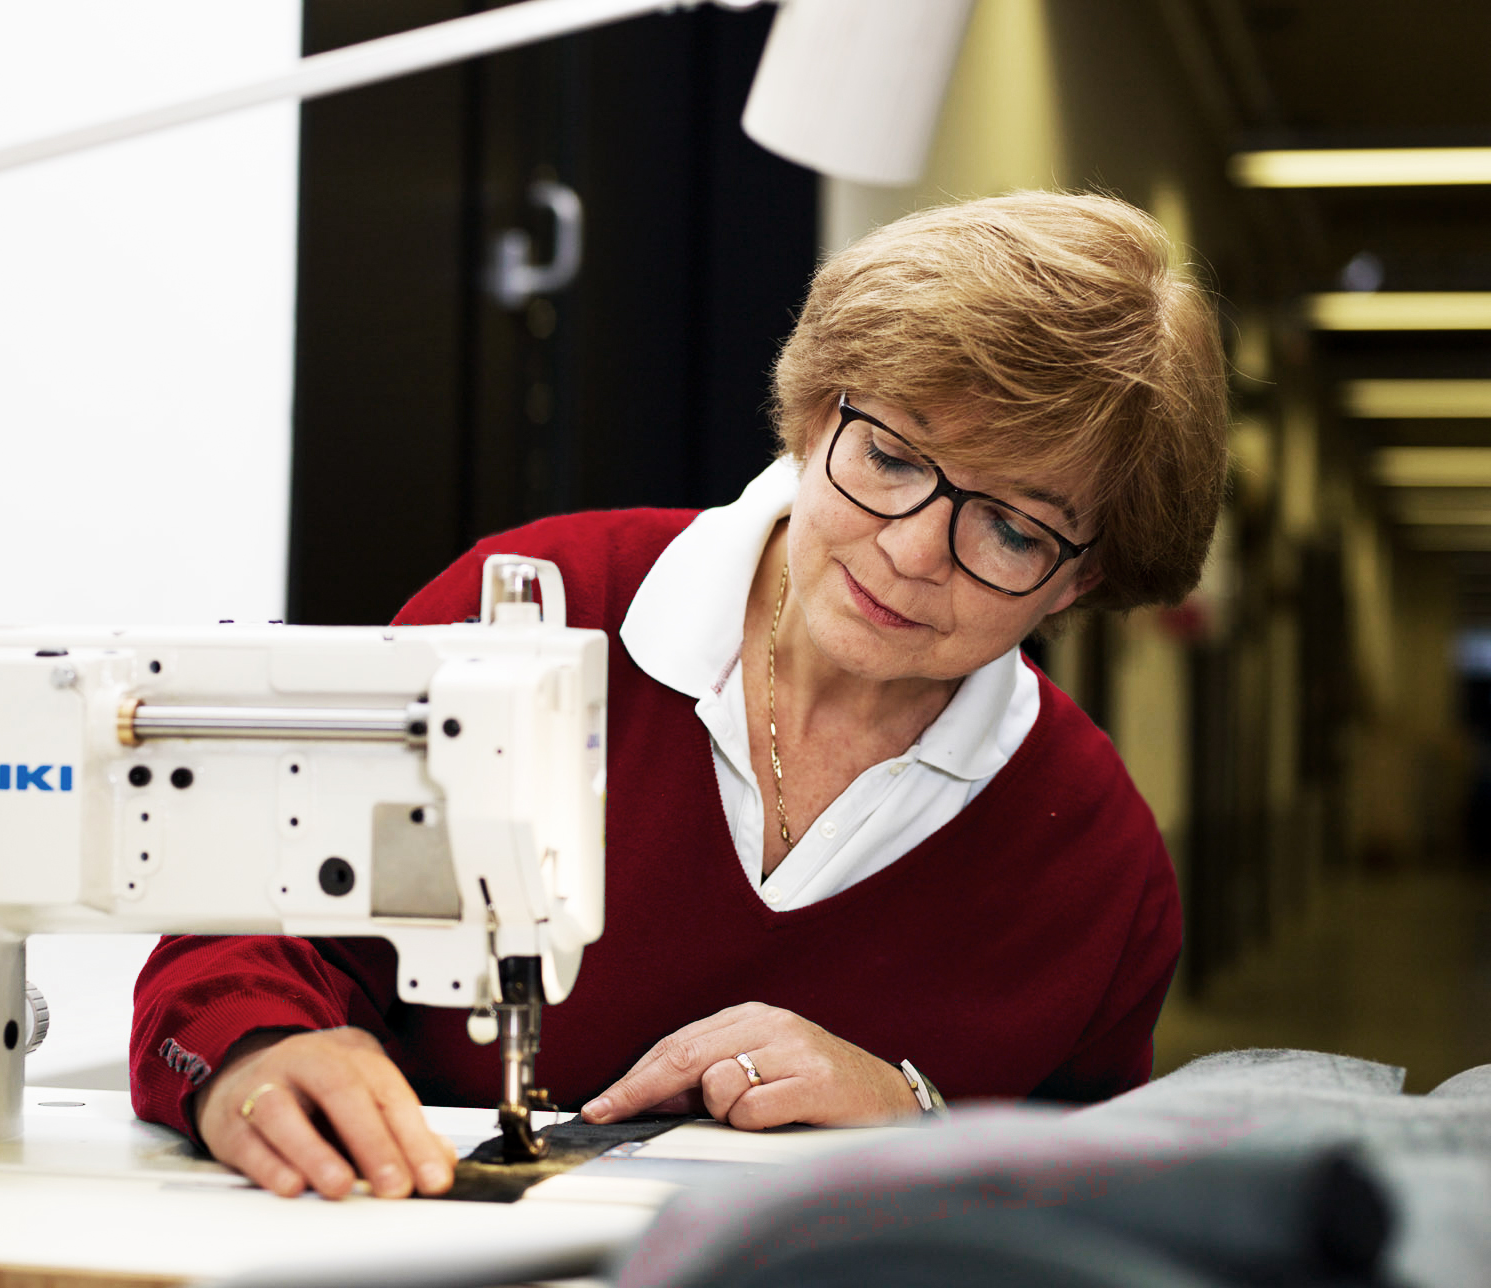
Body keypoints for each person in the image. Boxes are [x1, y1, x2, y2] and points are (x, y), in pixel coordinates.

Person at [129, 190, 1230, 1201]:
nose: (911, 550)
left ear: (1084, 578)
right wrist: (253, 1055)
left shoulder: (1095, 864)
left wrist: (916, 1118)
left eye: (1011, 527)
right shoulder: (535, 611)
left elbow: (1090, 1209)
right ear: (814, 416)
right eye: (893, 456)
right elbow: (238, 934)